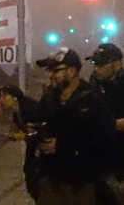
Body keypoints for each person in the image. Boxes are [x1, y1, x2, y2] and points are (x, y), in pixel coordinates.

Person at [31, 47, 117, 205]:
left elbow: (106, 142)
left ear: (72, 71)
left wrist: (64, 146)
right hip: (51, 183)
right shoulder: (49, 98)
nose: (50, 76)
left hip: (81, 187)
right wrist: (38, 136)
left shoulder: (91, 102)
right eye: (48, 71)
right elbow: (41, 125)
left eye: (56, 71)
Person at [0, 84, 41, 195]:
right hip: (33, 144)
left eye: (4, 97)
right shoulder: (16, 112)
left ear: (15, 97)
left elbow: (41, 129)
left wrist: (23, 136)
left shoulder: (29, 108)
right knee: (28, 168)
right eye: (0, 97)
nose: (1, 101)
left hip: (42, 145)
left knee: (35, 172)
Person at [86, 43, 124, 165]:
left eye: (101, 64)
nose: (96, 68)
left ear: (117, 64)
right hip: (99, 154)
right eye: (94, 63)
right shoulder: (94, 83)